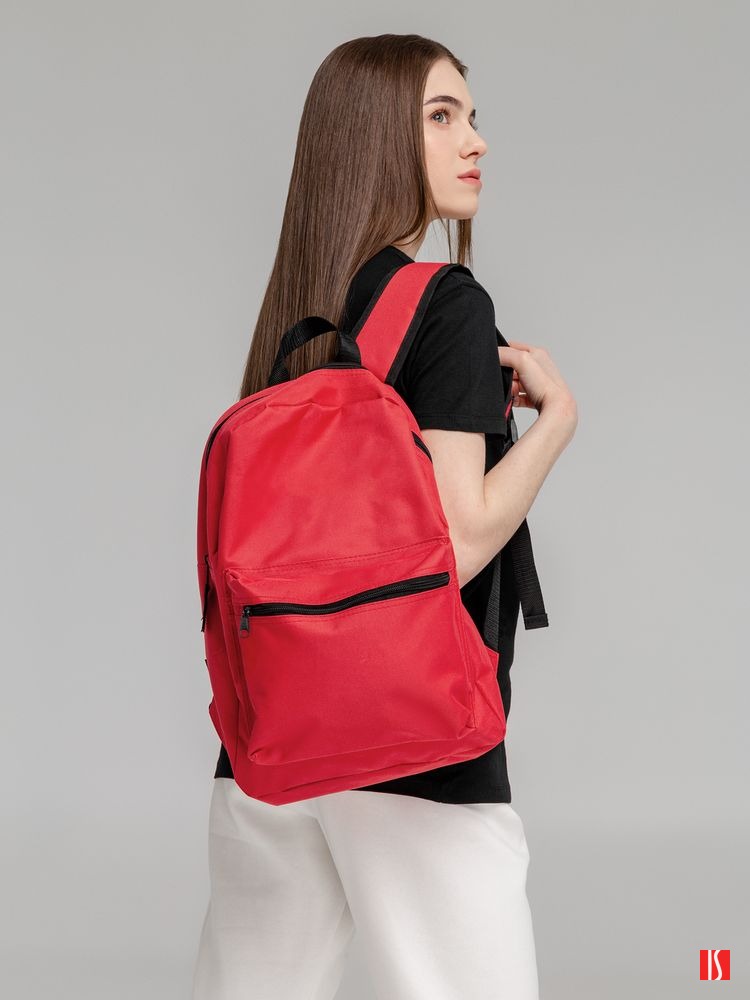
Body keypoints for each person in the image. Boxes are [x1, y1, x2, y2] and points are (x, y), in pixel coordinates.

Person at [192, 33, 578, 1000]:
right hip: (413, 743)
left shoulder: (302, 314)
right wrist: (558, 425)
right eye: (441, 117)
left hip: (272, 742)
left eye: (472, 116)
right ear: (373, 139)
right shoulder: (446, 306)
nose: (475, 141)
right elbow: (454, 542)